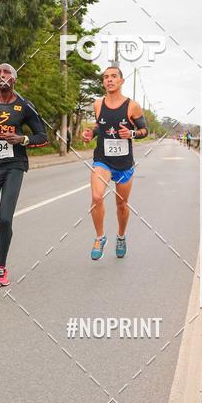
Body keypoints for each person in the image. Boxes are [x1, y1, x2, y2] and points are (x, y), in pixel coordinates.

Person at [0, 63, 48, 286]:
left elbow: (43, 136)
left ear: (15, 79)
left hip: (15, 165)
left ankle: (1, 267)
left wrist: (23, 139)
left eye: (7, 73)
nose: (2, 75)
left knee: (5, 218)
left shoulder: (24, 106)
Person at [82, 65, 148, 260]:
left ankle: (120, 236)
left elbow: (144, 130)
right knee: (96, 197)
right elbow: (99, 125)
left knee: (121, 204)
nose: (109, 80)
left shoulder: (132, 106)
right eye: (106, 77)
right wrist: (90, 134)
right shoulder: (97, 104)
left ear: (121, 81)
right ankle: (100, 237)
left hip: (125, 164)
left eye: (113, 77)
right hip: (102, 160)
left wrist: (132, 133)